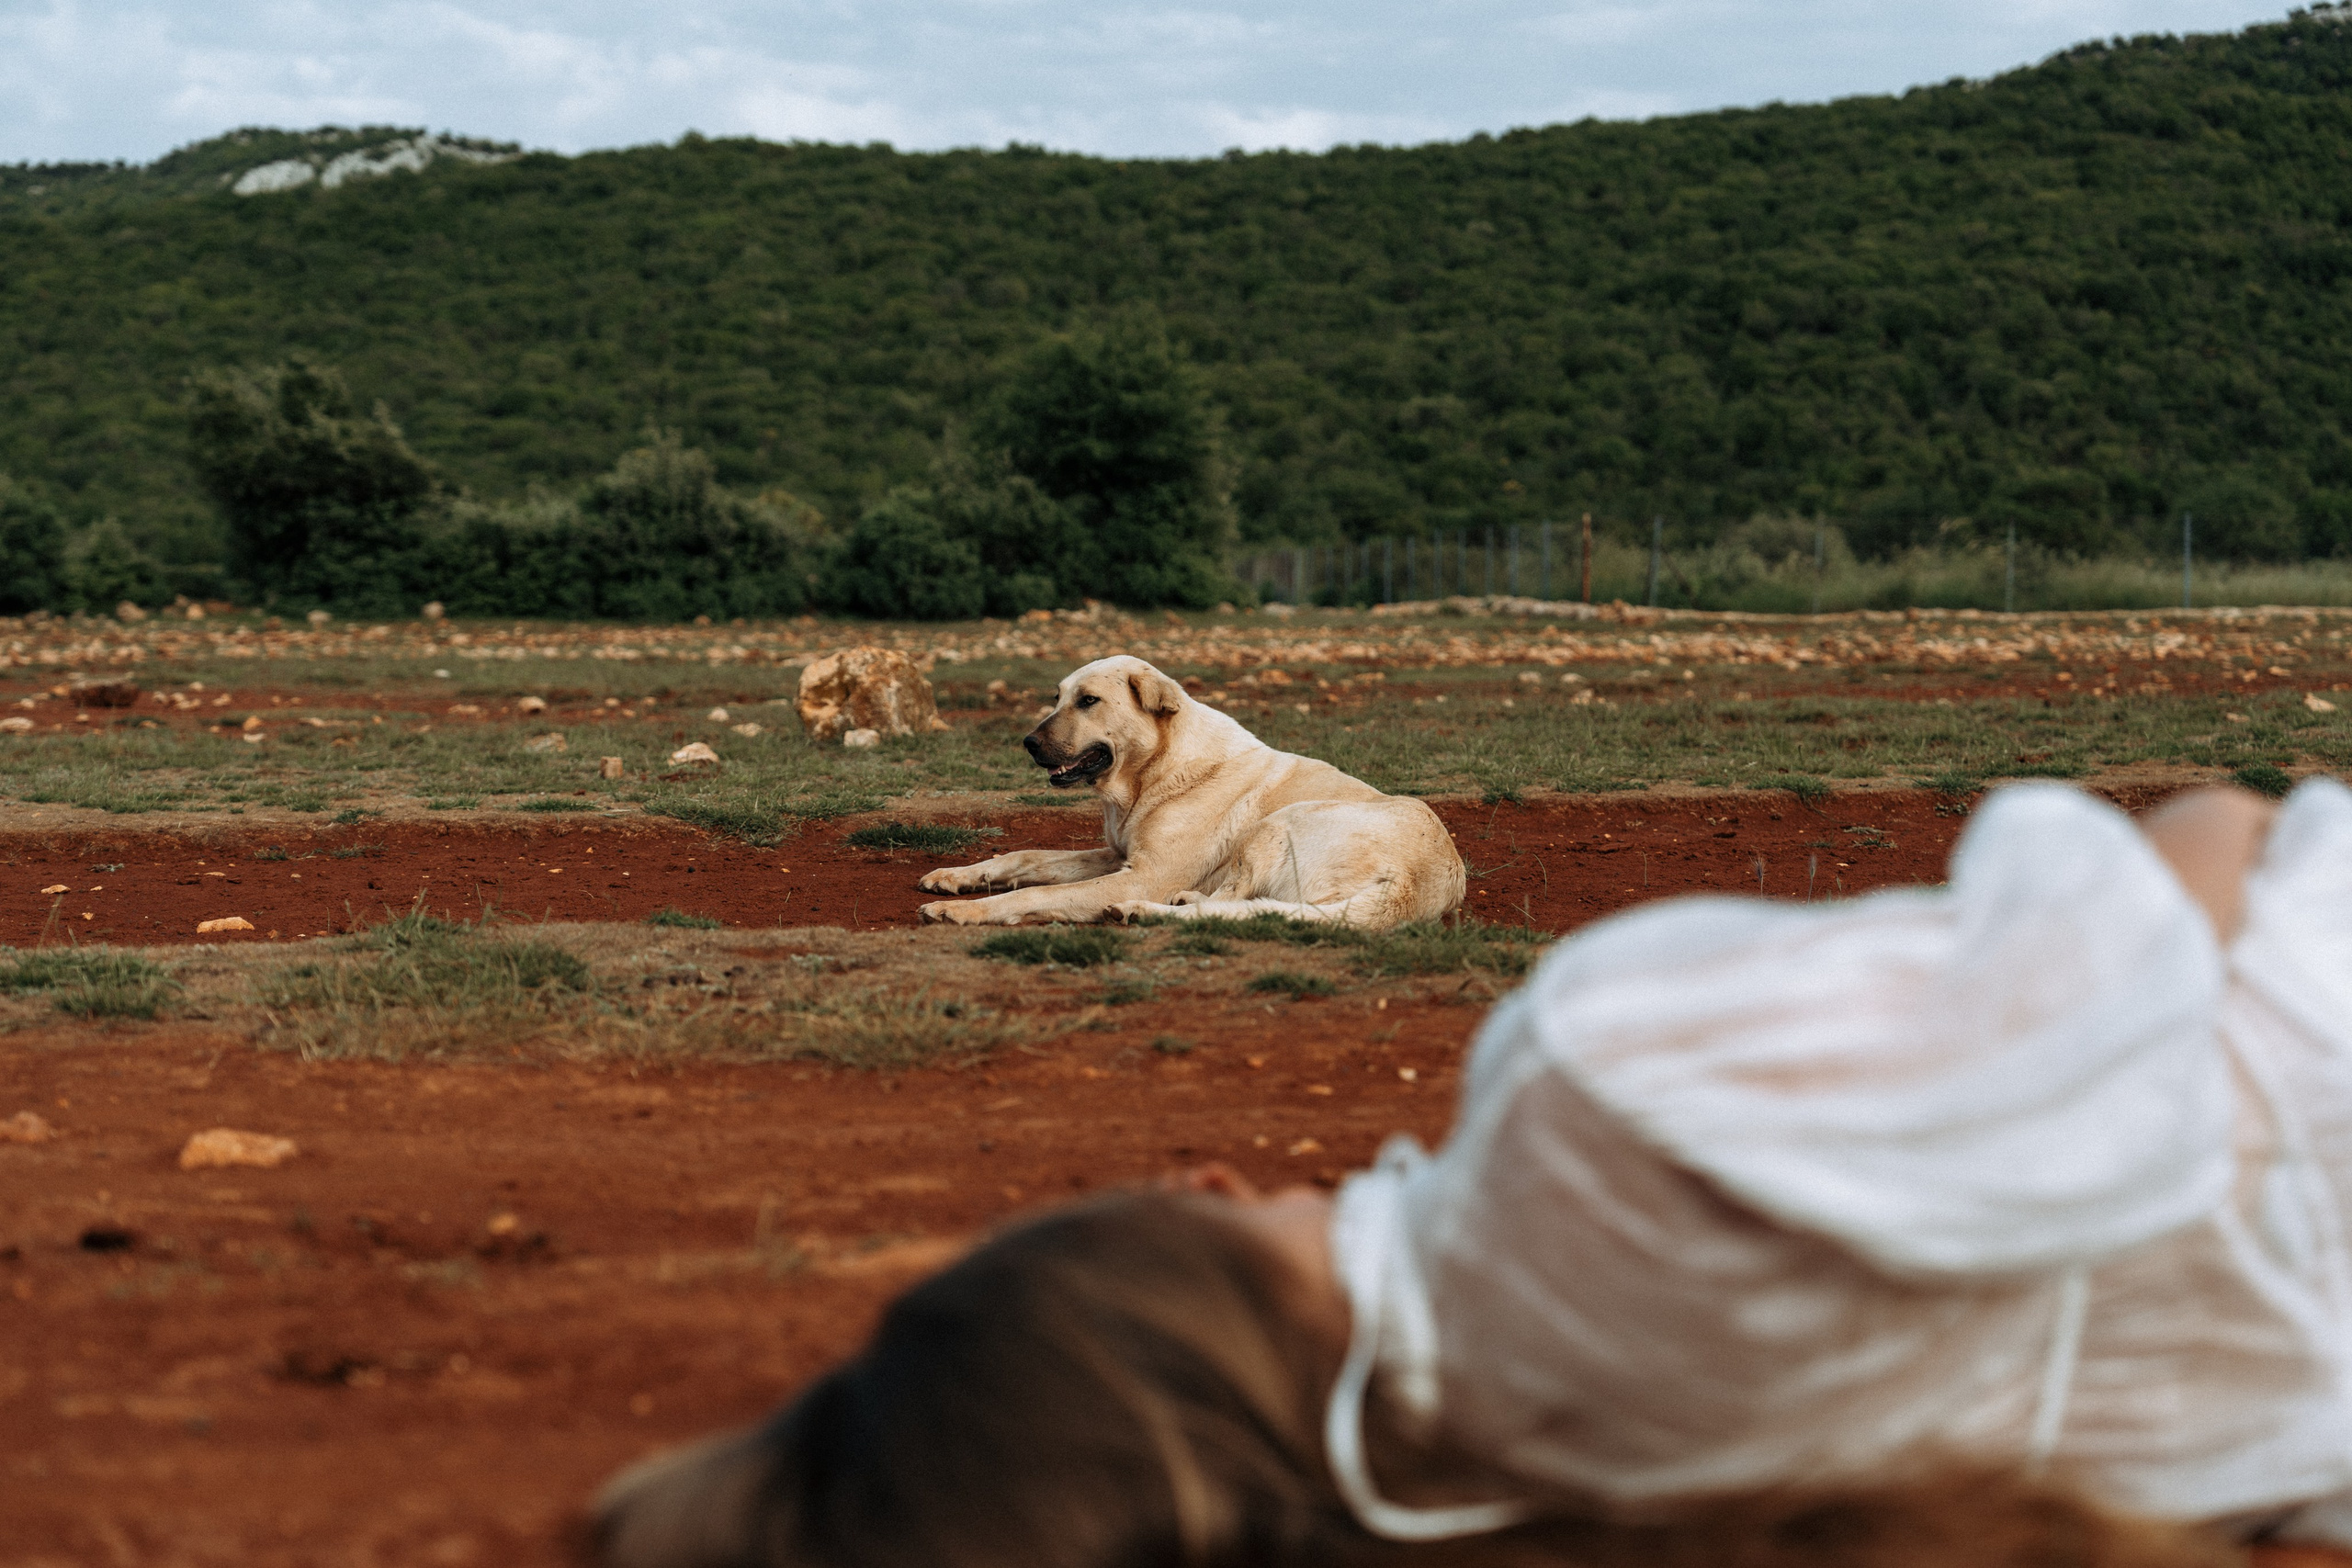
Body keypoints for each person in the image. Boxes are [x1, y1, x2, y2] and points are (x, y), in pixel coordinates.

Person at [594, 779, 2352, 1568]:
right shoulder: (1585, 1096)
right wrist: (2202, 820)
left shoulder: (1631, 1507)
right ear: (1189, 1224)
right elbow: (2119, 972)